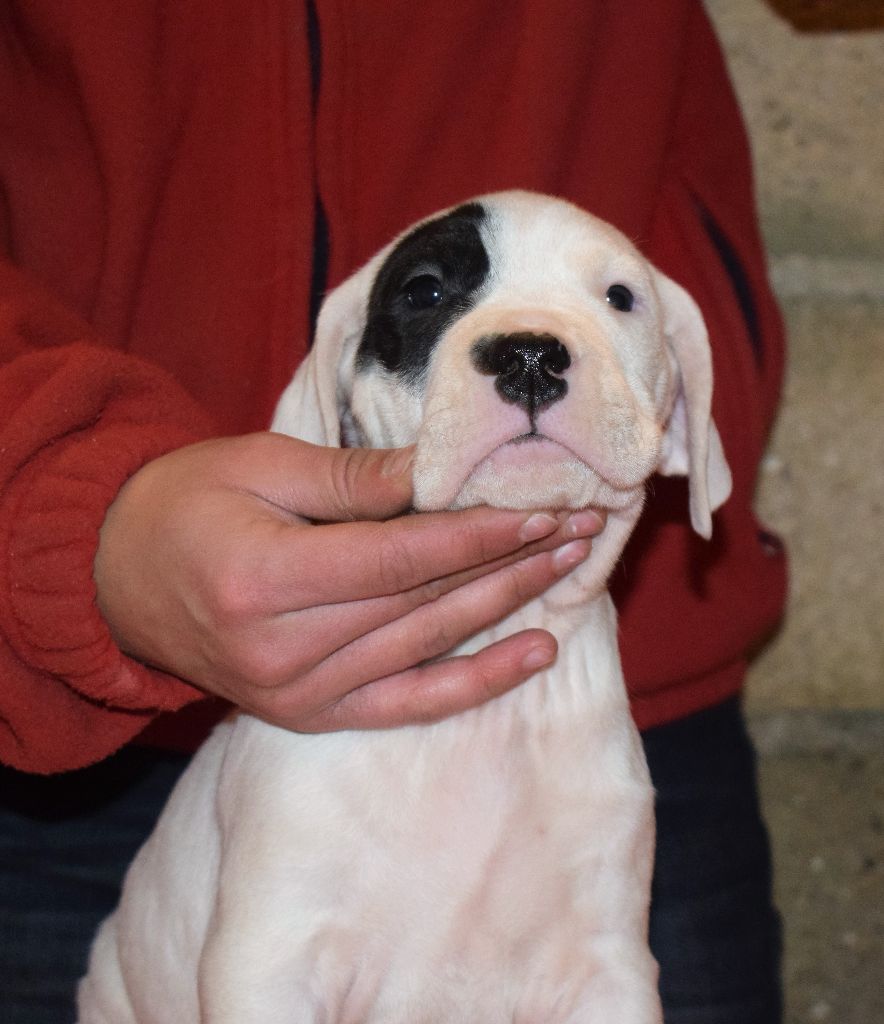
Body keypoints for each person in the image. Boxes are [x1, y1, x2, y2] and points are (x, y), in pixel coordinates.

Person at [0, 1, 787, 1021]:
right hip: (69, 728)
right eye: (427, 298)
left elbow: (593, 980)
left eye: (615, 298)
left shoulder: (602, 757)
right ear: (328, 410)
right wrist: (68, 496)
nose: (531, 351)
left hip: (655, 700)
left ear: (677, 416)